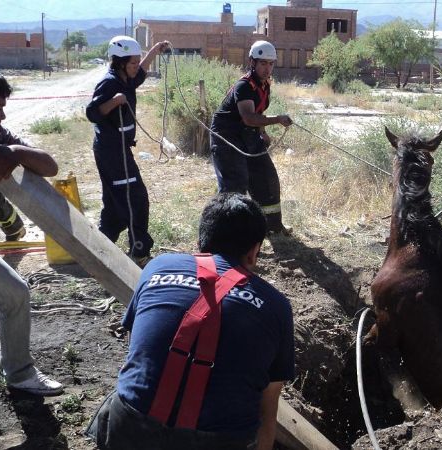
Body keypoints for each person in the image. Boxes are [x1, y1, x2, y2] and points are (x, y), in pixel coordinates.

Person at [87, 192, 295, 450]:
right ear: (254, 252)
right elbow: (267, 407)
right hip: (219, 441)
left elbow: (135, 352)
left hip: (130, 426)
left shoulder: (158, 267)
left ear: (200, 242)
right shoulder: (276, 305)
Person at [0, 65, 63, 395]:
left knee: (15, 294)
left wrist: (15, 153)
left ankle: (19, 374)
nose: (2, 117)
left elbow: (50, 165)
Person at [85, 36, 170, 267]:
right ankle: (139, 252)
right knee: (136, 199)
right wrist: (114, 101)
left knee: (115, 202)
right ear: (120, 62)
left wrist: (156, 49)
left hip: (118, 150)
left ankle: (102, 247)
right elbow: (92, 112)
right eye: (132, 62)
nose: (136, 66)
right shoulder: (110, 83)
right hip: (113, 152)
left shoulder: (127, 78)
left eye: (136, 61)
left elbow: (142, 70)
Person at [210, 40, 293, 234]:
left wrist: (263, 133)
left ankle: (271, 226)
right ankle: (225, 233)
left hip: (248, 135)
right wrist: (277, 119)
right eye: (263, 63)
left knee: (267, 178)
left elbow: (258, 111)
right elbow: (248, 117)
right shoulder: (244, 86)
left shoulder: (264, 85)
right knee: (235, 186)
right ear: (252, 62)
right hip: (227, 137)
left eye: (271, 64)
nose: (267, 68)